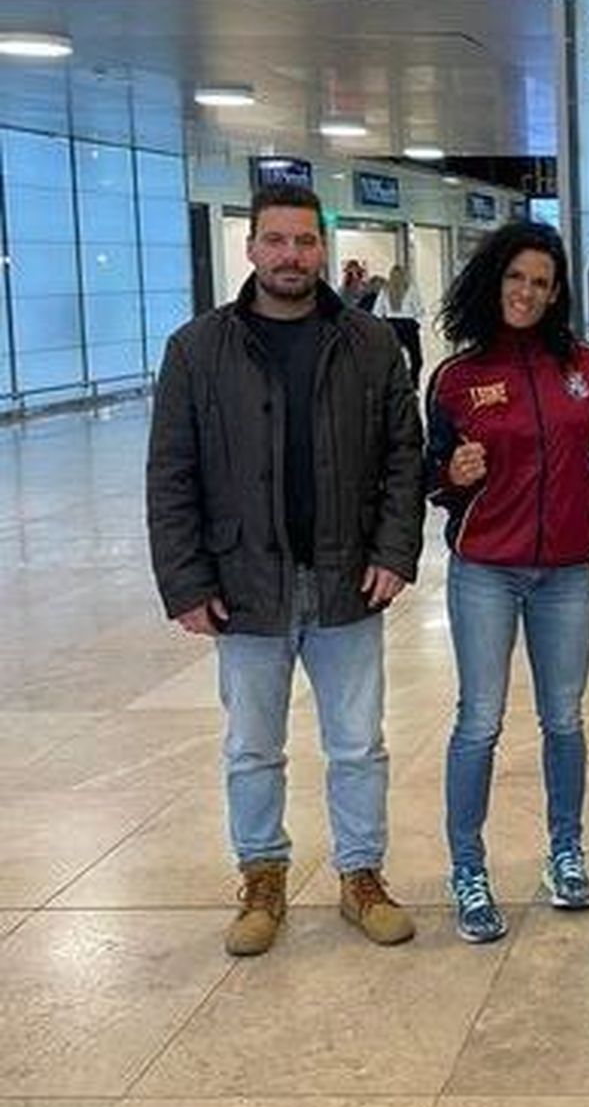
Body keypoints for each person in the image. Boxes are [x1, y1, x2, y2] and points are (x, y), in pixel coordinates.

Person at [146, 184, 424, 957]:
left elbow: (406, 457)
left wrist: (394, 552)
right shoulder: (198, 349)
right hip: (244, 587)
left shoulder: (369, 343)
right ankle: (262, 876)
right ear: (252, 248)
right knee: (252, 747)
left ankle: (361, 876)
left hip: (345, 582)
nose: (291, 256)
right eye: (277, 241)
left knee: (358, 743)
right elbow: (171, 473)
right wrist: (187, 582)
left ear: (323, 251)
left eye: (305, 242)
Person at [425, 223, 589, 943]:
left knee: (564, 719)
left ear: (556, 292)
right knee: (480, 720)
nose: (526, 293)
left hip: (566, 572)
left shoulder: (587, 368)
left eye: (541, 281)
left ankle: (565, 852)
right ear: (492, 281)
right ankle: (467, 868)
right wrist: (451, 477)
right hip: (486, 572)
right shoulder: (457, 377)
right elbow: (433, 478)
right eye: (515, 278)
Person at [374, 264, 426, 385]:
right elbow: (420, 310)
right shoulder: (411, 289)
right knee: (416, 358)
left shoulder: (385, 290)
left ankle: (391, 383)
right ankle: (414, 383)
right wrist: (416, 322)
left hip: (391, 325)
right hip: (408, 325)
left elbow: (377, 312)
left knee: (390, 358)